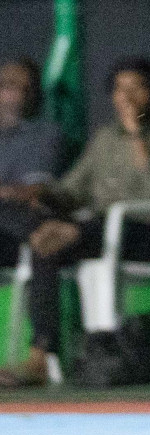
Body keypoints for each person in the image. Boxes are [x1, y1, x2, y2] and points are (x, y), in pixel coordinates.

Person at [2, 58, 150, 387]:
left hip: (142, 231)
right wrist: (33, 193)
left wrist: (136, 135)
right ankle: (40, 356)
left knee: (67, 232)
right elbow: (72, 190)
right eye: (119, 89)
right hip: (95, 231)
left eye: (135, 88)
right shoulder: (103, 140)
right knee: (45, 242)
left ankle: (65, 231)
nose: (125, 96)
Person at [0, 59, 65, 386]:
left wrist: (11, 192)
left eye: (27, 88)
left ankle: (40, 354)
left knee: (45, 233)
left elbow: (35, 191)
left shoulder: (46, 133)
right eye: (10, 85)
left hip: (23, 219)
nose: (18, 95)